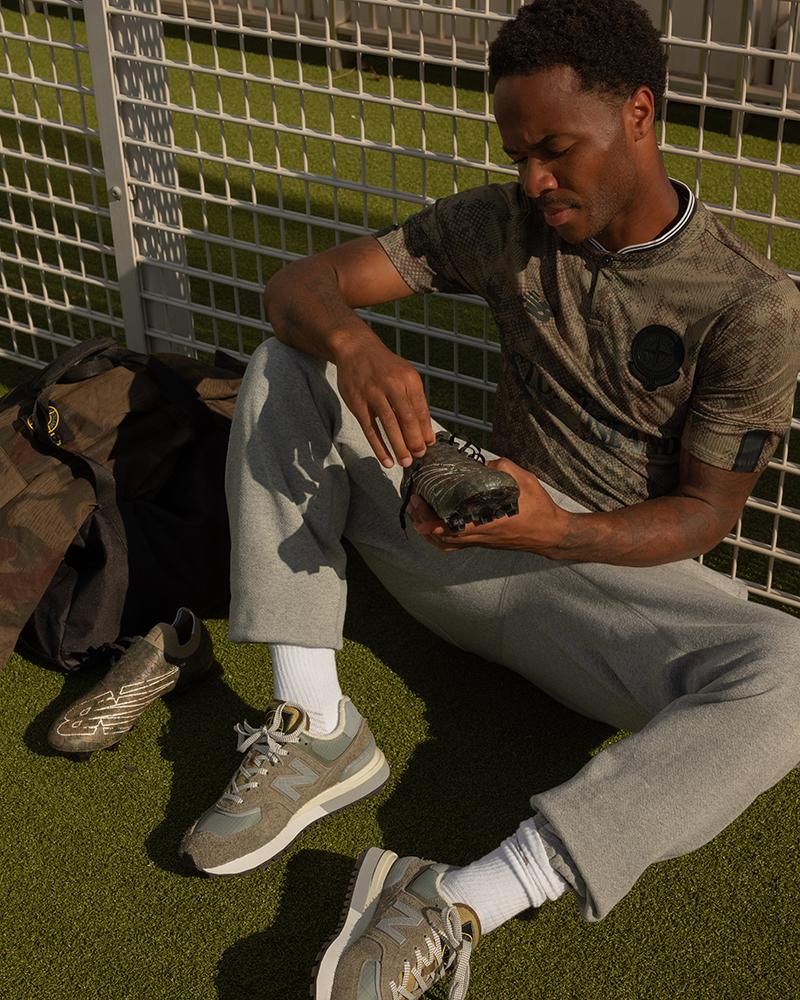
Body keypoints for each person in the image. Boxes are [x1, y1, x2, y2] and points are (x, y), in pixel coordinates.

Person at [182, 1, 800, 997]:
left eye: (555, 150)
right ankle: (314, 722)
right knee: (285, 361)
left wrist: (557, 529)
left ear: (637, 114)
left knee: (789, 670)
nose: (534, 182)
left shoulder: (750, 303)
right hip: (456, 543)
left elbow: (704, 515)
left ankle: (460, 896)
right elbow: (300, 283)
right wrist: (355, 346)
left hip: (596, 591)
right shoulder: (500, 221)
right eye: (518, 154)